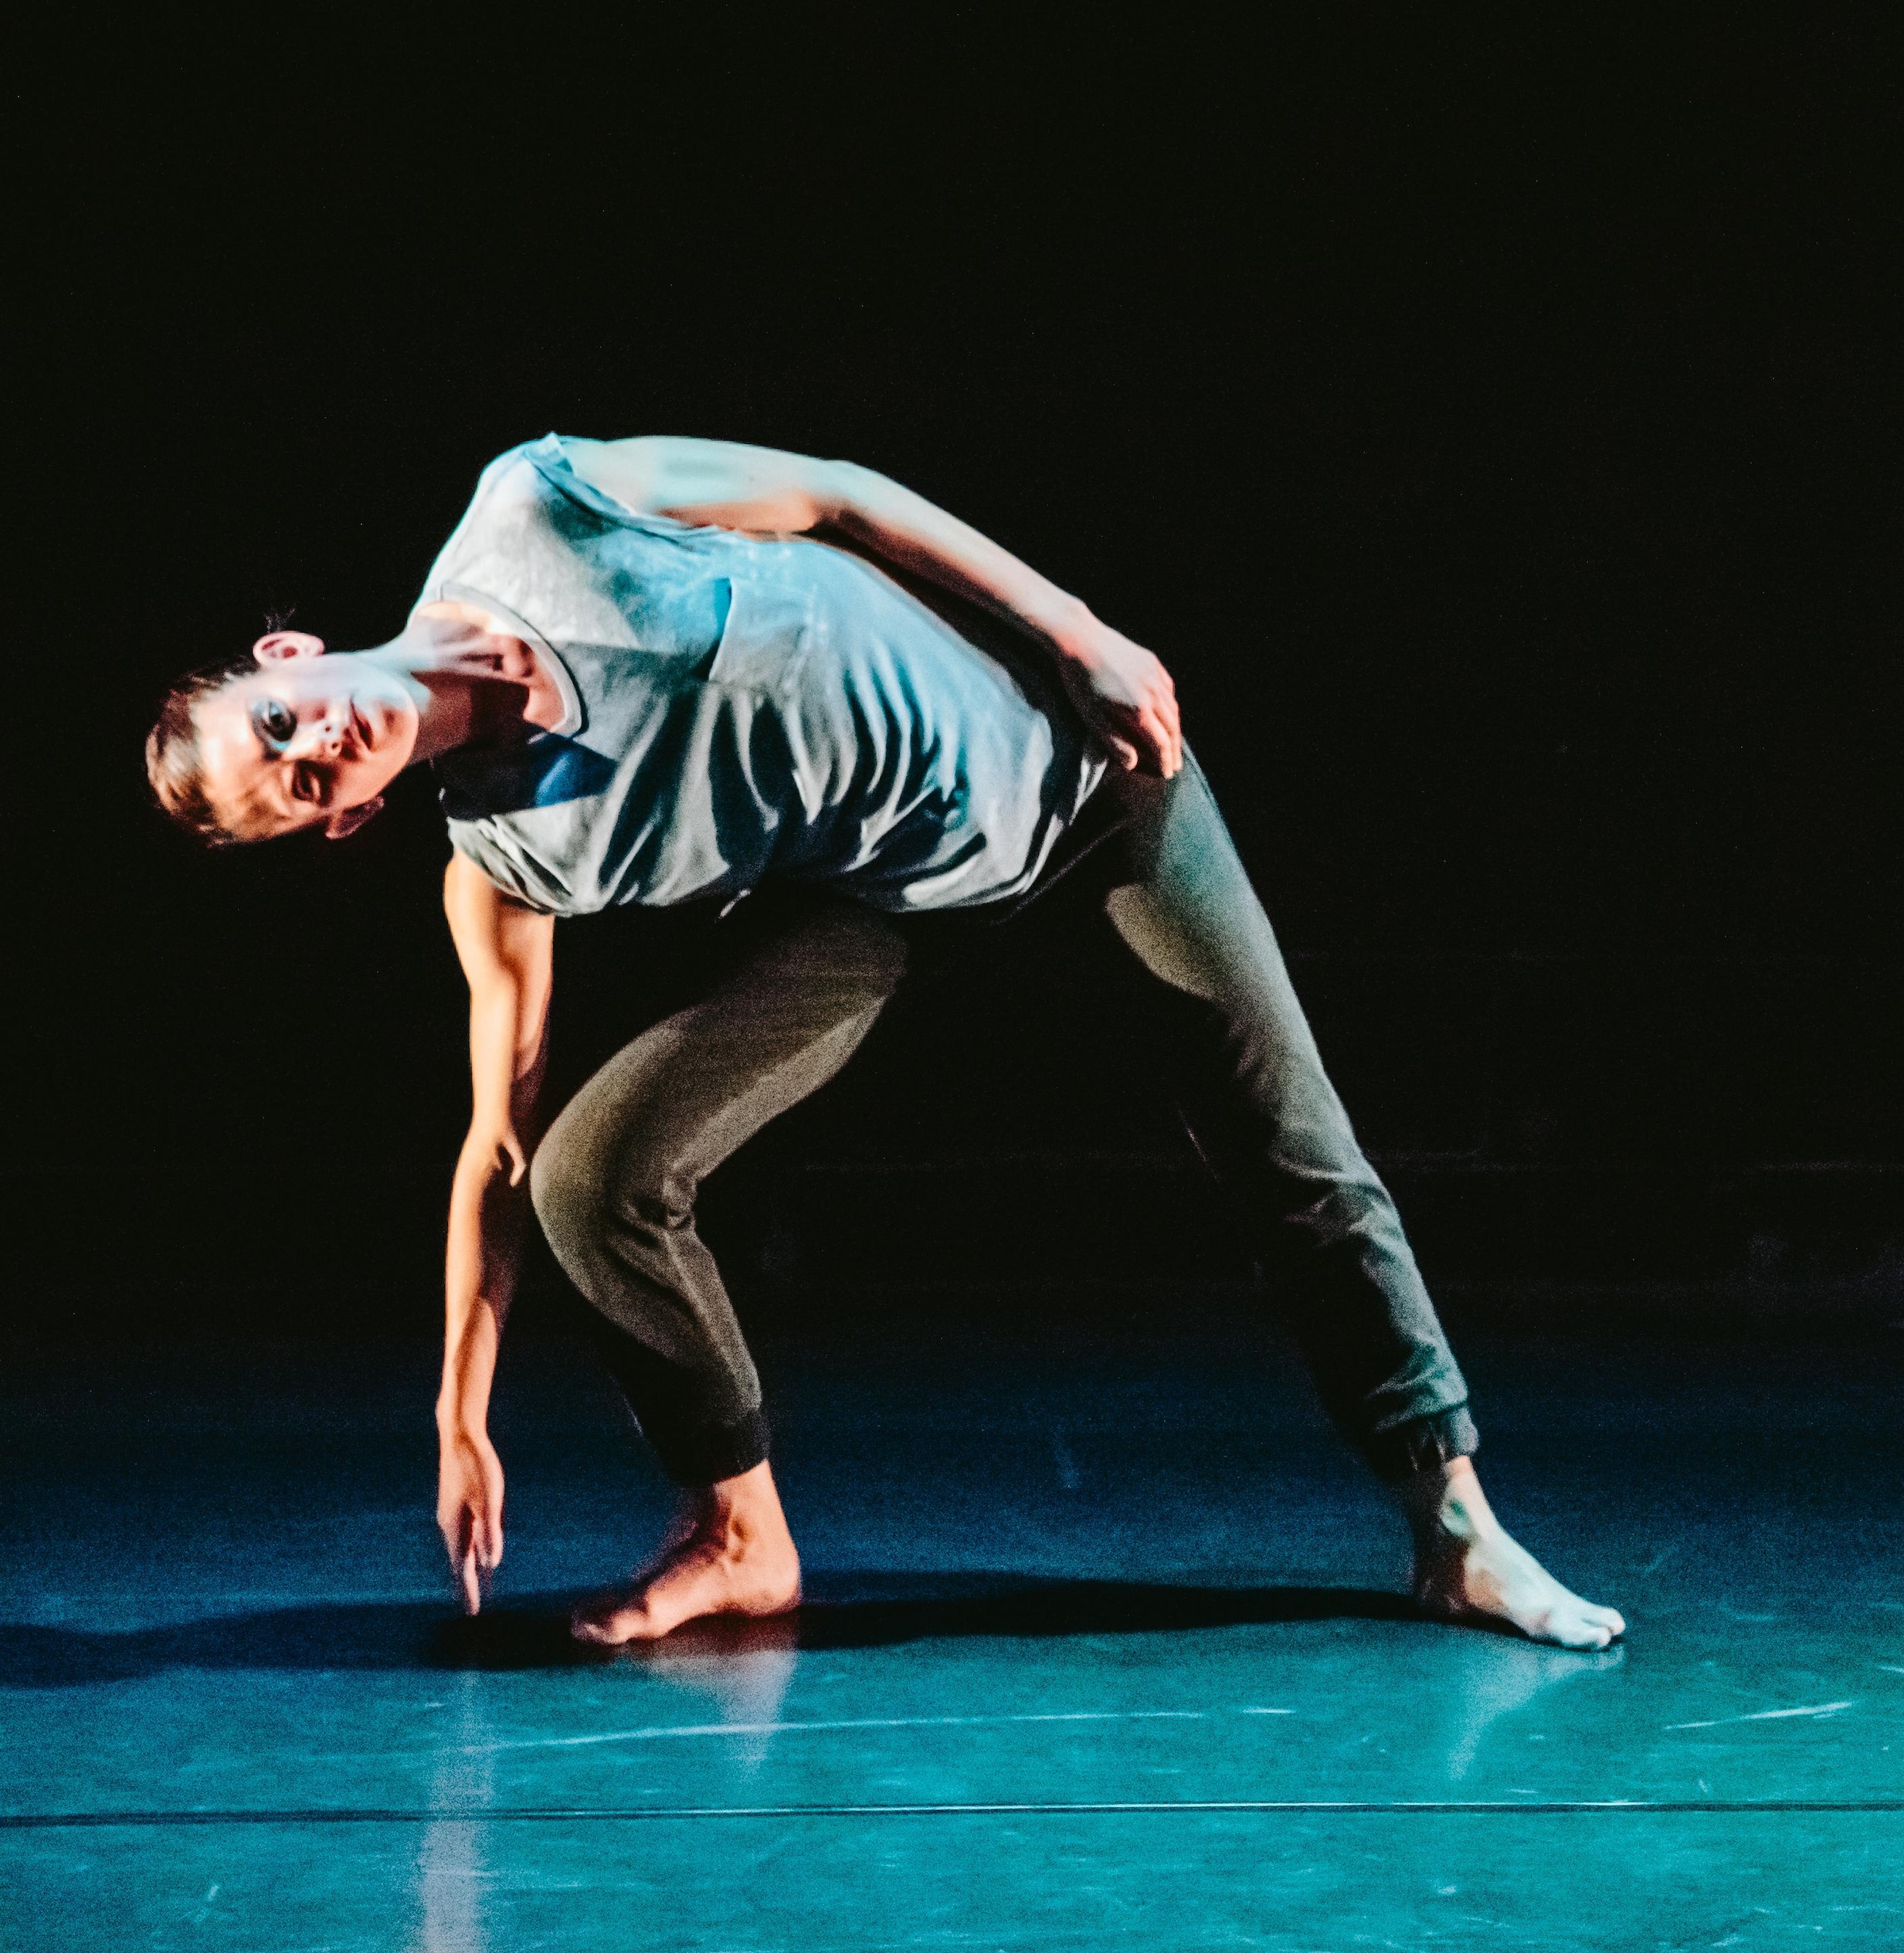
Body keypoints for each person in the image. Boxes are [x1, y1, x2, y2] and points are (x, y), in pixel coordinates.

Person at [148, 434, 1623, 1650]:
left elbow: (846, 497)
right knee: (590, 1173)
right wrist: (460, 1412)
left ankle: (1455, 1530)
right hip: (880, 899)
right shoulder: (511, 865)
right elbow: (500, 1143)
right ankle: (740, 1533)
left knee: (1290, 1140)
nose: (308, 745)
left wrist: (1084, 635)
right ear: (337, 823)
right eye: (287, 783)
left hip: (1081, 778)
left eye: (277, 718)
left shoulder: (541, 510)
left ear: (294, 652)